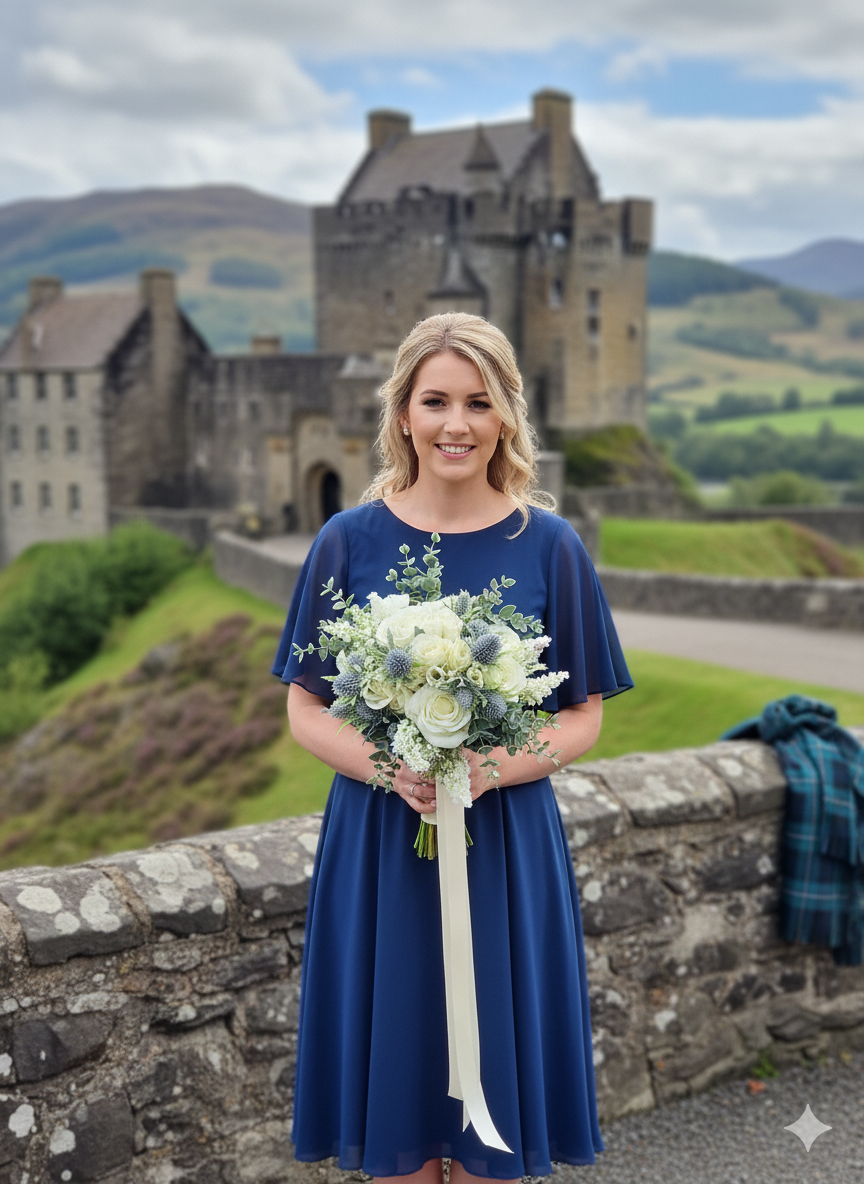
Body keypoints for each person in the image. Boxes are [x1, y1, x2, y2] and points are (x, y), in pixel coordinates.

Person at [272, 312, 633, 1184]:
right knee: (397, 1128)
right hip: (383, 847)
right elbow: (306, 710)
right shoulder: (345, 542)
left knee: (489, 1151)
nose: (455, 424)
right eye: (435, 401)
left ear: (506, 414)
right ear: (402, 414)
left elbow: (582, 717)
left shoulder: (549, 546)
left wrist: (490, 768)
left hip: (505, 849)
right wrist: (392, 770)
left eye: (478, 402)